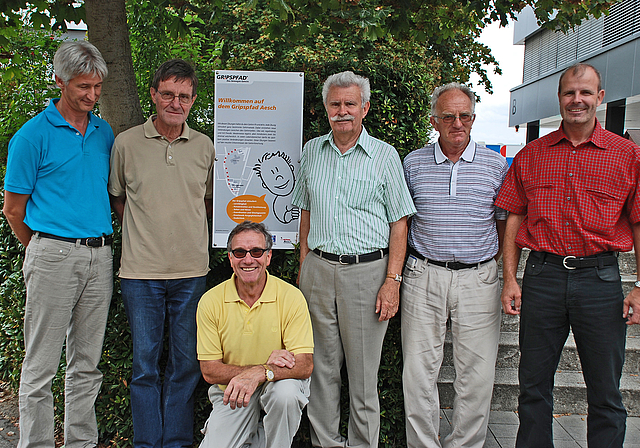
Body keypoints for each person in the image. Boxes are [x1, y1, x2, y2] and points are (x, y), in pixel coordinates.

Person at [496, 63, 640, 447]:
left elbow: (639, 223)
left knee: (606, 392)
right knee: (532, 386)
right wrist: (510, 278)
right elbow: (514, 216)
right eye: (569, 93)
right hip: (543, 277)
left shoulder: (628, 156)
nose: (577, 100)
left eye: (585, 93)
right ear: (559, 99)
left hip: (600, 280)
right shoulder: (531, 155)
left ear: (600, 98)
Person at [291, 70, 416, 447]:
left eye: (350, 104)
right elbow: (306, 213)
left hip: (368, 274)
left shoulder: (384, 156)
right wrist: (303, 269)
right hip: (318, 269)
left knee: (363, 378)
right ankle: (326, 443)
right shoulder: (312, 150)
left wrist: (391, 282)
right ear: (325, 109)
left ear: (364, 107)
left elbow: (399, 223)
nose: (342, 111)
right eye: (335, 104)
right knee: (322, 371)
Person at [2, 41, 114, 448]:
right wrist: (42, 248)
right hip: (53, 253)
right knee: (40, 367)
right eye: (84, 86)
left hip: (100, 256)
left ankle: (82, 443)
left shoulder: (104, 132)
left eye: (98, 87)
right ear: (60, 82)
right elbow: (14, 209)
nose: (92, 95)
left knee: (87, 365)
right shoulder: (31, 136)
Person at [108, 59, 215, 448]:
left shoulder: (205, 146)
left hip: (191, 273)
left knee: (186, 366)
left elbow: (207, 202)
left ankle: (176, 442)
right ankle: (147, 444)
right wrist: (146, 232)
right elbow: (118, 199)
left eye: (183, 96)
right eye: (167, 94)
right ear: (153, 95)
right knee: (145, 368)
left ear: (193, 100)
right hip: (141, 274)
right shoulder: (126, 144)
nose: (175, 102)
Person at [402, 82, 508, 448]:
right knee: (417, 372)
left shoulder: (496, 164)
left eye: (464, 116)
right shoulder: (413, 162)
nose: (457, 123)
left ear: (474, 118)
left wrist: (496, 269)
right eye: (448, 116)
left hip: (478, 277)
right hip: (422, 275)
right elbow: (402, 223)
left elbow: (504, 223)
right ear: (435, 120)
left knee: (476, 375)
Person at [196, 221, 314, 448]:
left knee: (286, 394)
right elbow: (210, 370)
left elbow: (304, 365)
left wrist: (262, 373)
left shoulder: (291, 296)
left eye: (256, 251)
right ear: (230, 258)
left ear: (268, 257)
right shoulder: (210, 301)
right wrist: (254, 372)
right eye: (239, 252)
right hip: (234, 389)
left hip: (277, 382)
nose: (248, 259)